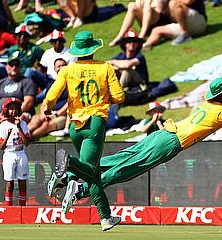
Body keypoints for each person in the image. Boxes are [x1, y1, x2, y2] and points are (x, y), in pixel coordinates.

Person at [47, 77, 222, 209]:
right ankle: (78, 189)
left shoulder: (207, 104)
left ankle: (68, 173)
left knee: (118, 159)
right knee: (125, 171)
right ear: (220, 95)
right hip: (170, 143)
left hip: (162, 134)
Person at [44, 30, 125, 231]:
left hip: (74, 126)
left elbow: (51, 97)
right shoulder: (105, 67)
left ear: (77, 51)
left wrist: (48, 108)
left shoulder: (67, 70)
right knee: (89, 170)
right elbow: (120, 96)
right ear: (93, 49)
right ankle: (68, 165)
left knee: (93, 174)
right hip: (95, 124)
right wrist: (106, 98)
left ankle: (106, 217)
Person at [0, 24, 44, 99]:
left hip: (26, 77)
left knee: (29, 70)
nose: (22, 37)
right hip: (11, 75)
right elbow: (2, 63)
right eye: (19, 35)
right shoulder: (10, 50)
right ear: (15, 37)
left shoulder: (35, 49)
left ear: (28, 37)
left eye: (25, 35)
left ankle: (23, 97)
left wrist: (40, 69)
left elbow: (45, 61)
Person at [0, 52, 37, 133]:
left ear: (20, 67)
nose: (14, 67)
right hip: (0, 117)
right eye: (11, 65)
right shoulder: (0, 83)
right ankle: (0, 130)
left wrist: (12, 114)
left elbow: (29, 102)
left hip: (20, 115)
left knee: (23, 118)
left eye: (17, 65)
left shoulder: (27, 82)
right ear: (7, 67)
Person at [0, 97, 31, 206]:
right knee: (9, 182)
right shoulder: (3, 125)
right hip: (9, 153)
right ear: (6, 110)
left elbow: (26, 143)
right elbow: (2, 147)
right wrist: (7, 135)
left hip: (21, 153)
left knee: (22, 181)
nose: (13, 111)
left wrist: (19, 128)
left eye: (16, 108)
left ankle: (22, 206)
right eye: (11, 108)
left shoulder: (23, 124)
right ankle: (9, 208)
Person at [29, 30, 76, 103]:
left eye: (59, 41)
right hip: (48, 79)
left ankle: (35, 99)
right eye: (55, 41)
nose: (57, 43)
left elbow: (72, 72)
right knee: (30, 71)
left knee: (48, 93)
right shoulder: (48, 52)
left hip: (63, 81)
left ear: (63, 41)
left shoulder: (70, 53)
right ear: (51, 42)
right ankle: (30, 93)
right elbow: (42, 68)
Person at [28, 58, 68, 140]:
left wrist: (56, 114)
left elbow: (70, 103)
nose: (61, 68)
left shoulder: (71, 83)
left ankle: (29, 138)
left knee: (46, 124)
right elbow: (45, 101)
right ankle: (21, 135)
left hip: (63, 115)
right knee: (36, 119)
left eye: (63, 65)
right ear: (54, 69)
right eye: (58, 66)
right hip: (49, 112)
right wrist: (44, 113)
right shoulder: (52, 83)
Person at [143, 0, 207, 47]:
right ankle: (145, 46)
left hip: (198, 21)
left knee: (175, 3)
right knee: (156, 30)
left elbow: (188, 1)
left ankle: (184, 34)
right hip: (186, 25)